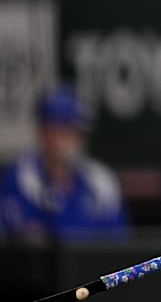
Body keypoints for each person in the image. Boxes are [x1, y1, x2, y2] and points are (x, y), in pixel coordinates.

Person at [0, 86, 129, 244]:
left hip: (97, 267)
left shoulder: (101, 181)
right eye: (64, 131)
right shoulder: (21, 179)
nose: (73, 141)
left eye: (77, 132)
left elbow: (118, 244)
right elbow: (20, 243)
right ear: (44, 132)